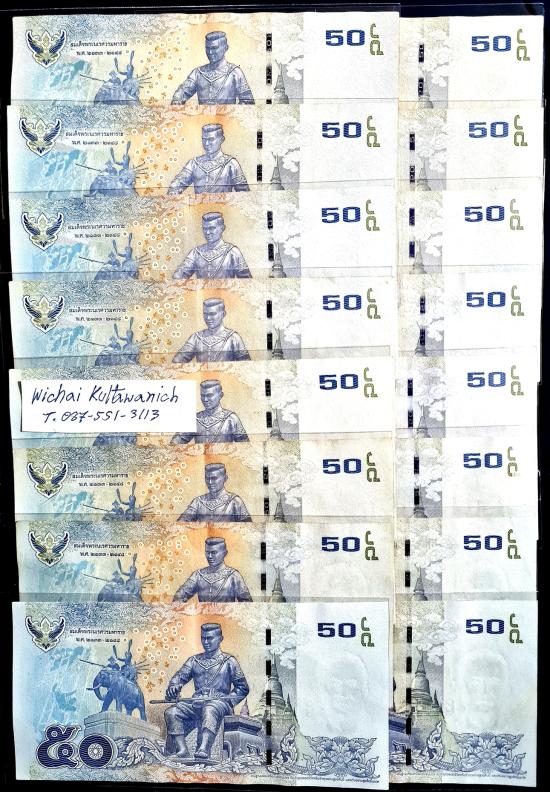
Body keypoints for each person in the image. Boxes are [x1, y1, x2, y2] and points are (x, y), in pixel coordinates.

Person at [164, 622, 249, 760]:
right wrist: (174, 686)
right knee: (171, 712)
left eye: (210, 638)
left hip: (220, 705)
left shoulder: (229, 661)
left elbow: (243, 688)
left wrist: (228, 700)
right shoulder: (194, 661)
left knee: (210, 709)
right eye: (203, 638)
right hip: (196, 703)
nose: (206, 642)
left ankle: (204, 749)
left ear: (220, 639)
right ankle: (182, 750)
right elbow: (179, 677)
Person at [171, 31, 254, 105]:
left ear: (225, 48)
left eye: (214, 48)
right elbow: (180, 95)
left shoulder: (235, 72)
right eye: (207, 48)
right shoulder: (197, 73)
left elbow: (248, 102)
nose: (210, 52)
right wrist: (176, 102)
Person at [168, 123, 249, 194]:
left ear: (221, 140)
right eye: (204, 139)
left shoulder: (231, 163)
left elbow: (244, 193)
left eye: (211, 139)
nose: (206, 143)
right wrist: (173, 191)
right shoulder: (194, 163)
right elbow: (176, 184)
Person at [173, 212, 250, 279]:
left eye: (211, 228)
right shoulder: (196, 252)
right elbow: (178, 275)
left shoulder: (233, 252)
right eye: (204, 229)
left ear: (222, 228)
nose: (207, 233)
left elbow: (247, 281)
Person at [173, 537, 252, 602]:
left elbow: (247, 604)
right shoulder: (198, 575)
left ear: (225, 553)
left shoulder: (234, 576)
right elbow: (179, 596)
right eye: (207, 552)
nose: (210, 556)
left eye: (214, 552)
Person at [171, 379, 248, 444]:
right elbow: (174, 444)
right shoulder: (195, 419)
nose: (205, 400)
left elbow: (245, 448)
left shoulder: (231, 419)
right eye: (202, 396)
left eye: (209, 395)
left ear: (221, 395)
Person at [172, 298, 250, 363]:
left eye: (212, 314)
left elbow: (246, 365)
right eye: (205, 314)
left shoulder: (234, 338)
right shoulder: (196, 338)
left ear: (223, 314)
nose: (208, 318)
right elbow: (177, 361)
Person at [178, 463, 251, 522]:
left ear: (225, 478)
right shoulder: (198, 502)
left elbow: (247, 528)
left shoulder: (235, 501)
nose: (210, 482)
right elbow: (181, 523)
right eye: (207, 478)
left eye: (214, 478)